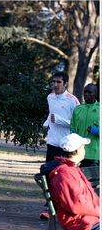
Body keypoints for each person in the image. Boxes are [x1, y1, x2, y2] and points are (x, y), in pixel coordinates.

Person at [40, 133, 100, 230]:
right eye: (83, 147)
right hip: (81, 223)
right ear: (76, 151)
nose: (85, 150)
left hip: (88, 219)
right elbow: (77, 204)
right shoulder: (64, 174)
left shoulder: (70, 169)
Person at [40, 71, 80, 220]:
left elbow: (76, 123)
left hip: (67, 146)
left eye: (58, 82)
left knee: (64, 179)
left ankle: (67, 208)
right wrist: (47, 123)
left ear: (65, 84)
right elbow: (50, 115)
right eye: (53, 82)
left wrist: (59, 119)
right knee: (49, 177)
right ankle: (49, 209)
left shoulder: (73, 101)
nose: (55, 85)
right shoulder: (50, 97)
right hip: (52, 143)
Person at [70, 83, 100, 167]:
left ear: (96, 94)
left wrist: (98, 131)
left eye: (89, 92)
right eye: (85, 92)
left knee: (94, 180)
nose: (86, 94)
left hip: (95, 154)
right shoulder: (78, 109)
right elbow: (73, 127)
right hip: (79, 154)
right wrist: (72, 134)